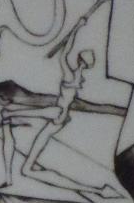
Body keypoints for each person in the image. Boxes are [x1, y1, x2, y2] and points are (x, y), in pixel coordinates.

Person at [17, 16, 96, 177]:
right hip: (62, 113)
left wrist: (76, 29)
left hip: (59, 111)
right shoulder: (79, 78)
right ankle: (30, 164)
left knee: (42, 136)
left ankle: (28, 166)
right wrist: (77, 28)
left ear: (79, 59)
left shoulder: (70, 75)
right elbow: (66, 54)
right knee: (43, 136)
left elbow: (64, 54)